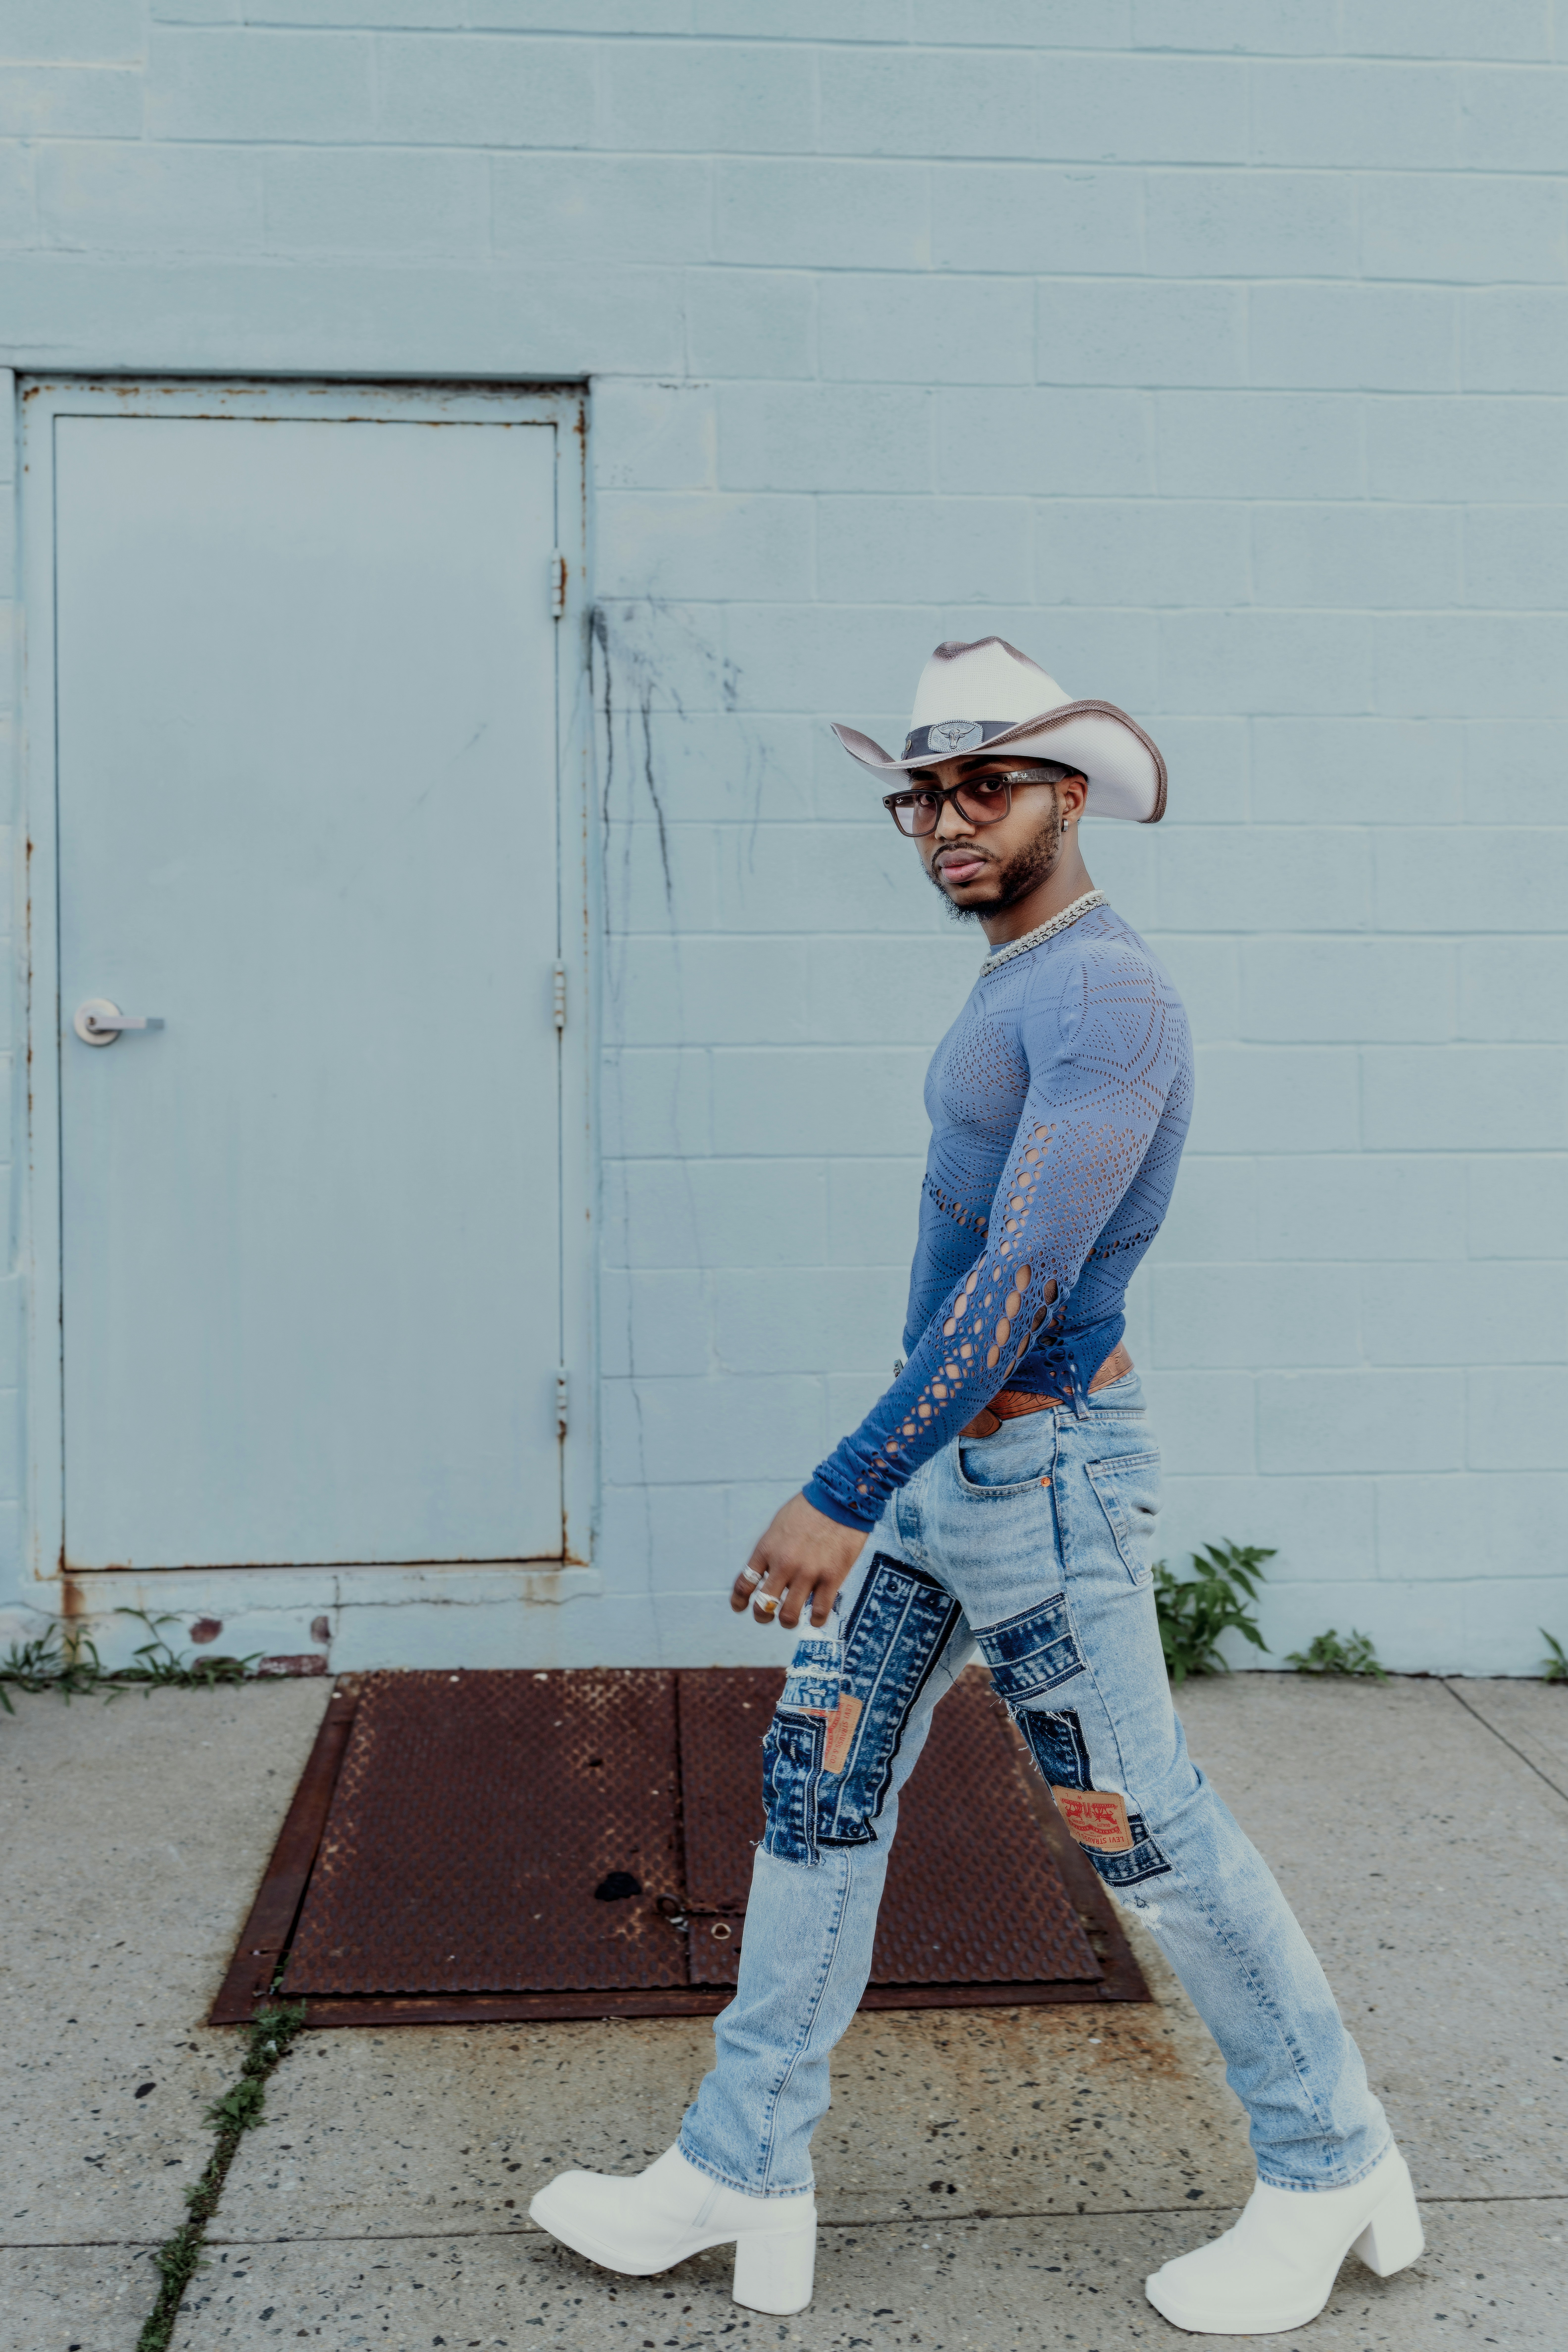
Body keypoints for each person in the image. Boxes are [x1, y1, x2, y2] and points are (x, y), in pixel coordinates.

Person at [532, 638, 1423, 2333]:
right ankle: (739, 2170)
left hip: (1046, 1482)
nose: (948, 821)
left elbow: (1023, 1280)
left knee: (1142, 1834)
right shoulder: (1018, 977)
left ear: (1068, 798)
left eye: (986, 787)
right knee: (820, 1778)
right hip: (959, 1468)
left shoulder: (1106, 995)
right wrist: (901, 1463)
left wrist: (848, 1481)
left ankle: (1332, 2169)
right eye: (922, 795)